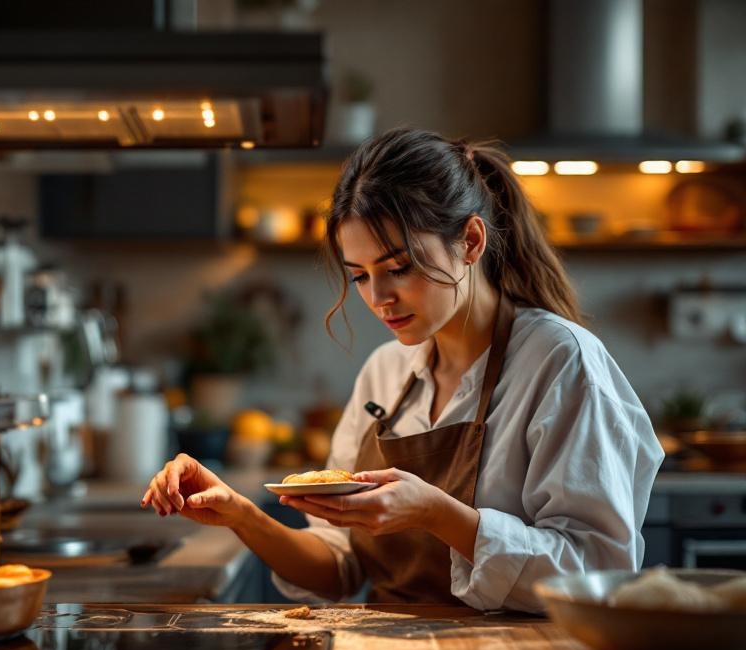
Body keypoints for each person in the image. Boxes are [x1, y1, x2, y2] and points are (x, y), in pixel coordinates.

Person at [141, 127, 664, 612]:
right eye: (360, 276)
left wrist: (438, 514)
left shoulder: (559, 360)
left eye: (398, 268)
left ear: (471, 242)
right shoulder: (385, 373)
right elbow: (339, 568)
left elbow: (600, 572)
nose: (379, 298)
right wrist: (239, 513)